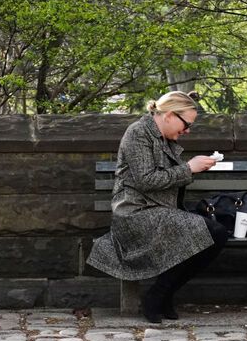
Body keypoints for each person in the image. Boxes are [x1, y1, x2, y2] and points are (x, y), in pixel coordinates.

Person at [87, 91, 227, 323]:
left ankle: (164, 294)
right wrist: (189, 168)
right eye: (186, 124)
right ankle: (158, 295)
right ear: (170, 115)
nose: (188, 131)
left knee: (216, 235)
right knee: (212, 232)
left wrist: (193, 168)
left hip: (161, 212)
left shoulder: (166, 139)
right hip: (135, 214)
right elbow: (146, 180)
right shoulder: (138, 133)